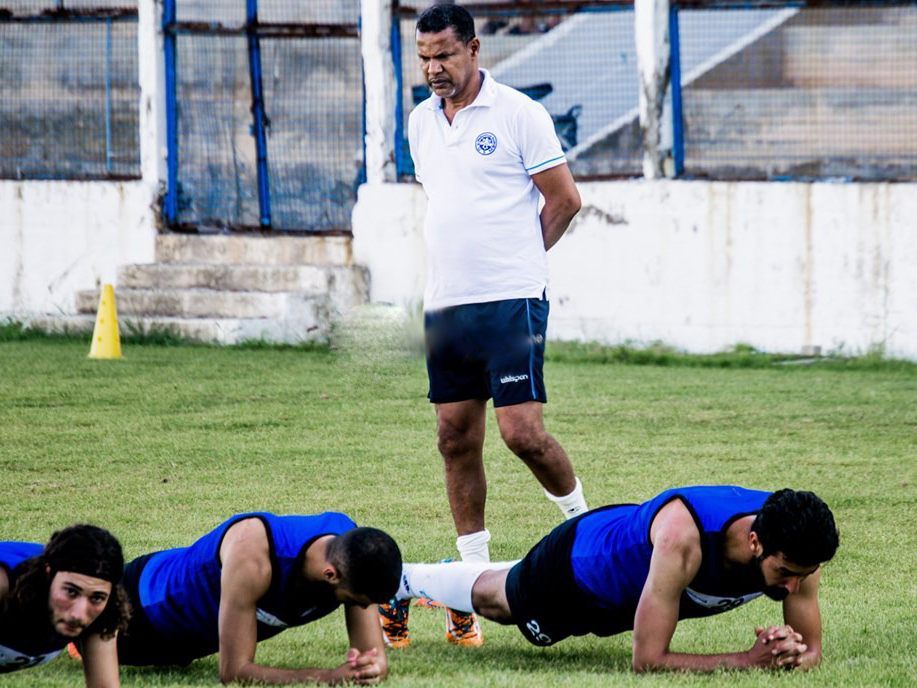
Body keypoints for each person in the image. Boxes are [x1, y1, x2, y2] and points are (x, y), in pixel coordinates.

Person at [382, 2, 587, 648]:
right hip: (447, 304)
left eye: (444, 54)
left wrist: (520, 264)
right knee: (453, 438)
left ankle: (585, 528)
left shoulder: (519, 114)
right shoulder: (420, 122)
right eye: (424, 58)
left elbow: (565, 200)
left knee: (522, 433)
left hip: (509, 302)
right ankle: (469, 577)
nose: (433, 69)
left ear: (473, 49)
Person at [390, 486, 840, 672]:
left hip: (638, 576)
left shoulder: (799, 547)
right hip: (581, 564)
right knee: (502, 603)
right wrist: (747, 660)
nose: (792, 589)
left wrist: (790, 652)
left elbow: (812, 650)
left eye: (802, 576)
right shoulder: (683, 541)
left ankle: (455, 579)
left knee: (504, 585)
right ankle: (403, 582)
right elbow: (648, 660)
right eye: (785, 574)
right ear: (755, 541)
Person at [113, 511, 401, 686]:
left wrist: (371, 667)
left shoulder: (352, 558)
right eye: (359, 602)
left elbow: (373, 656)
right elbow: (234, 672)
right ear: (330, 575)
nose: (365, 609)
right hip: (139, 610)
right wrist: (327, 677)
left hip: (189, 640)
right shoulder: (253, 556)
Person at [0, 524, 128, 686]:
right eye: (71, 592)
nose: (78, 614)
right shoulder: (5, 583)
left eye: (97, 598)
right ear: (48, 574)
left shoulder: (103, 609)